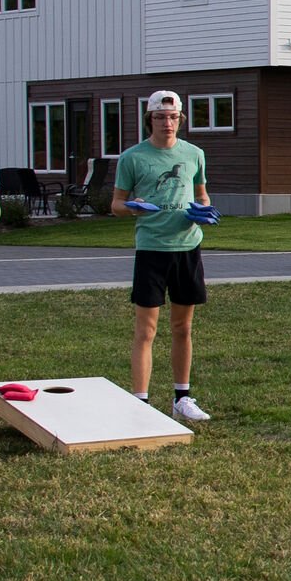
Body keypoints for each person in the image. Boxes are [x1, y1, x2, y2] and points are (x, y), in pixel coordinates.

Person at [112, 89, 216, 422]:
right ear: (150, 120)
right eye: (161, 117)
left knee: (182, 328)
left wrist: (203, 211)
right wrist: (132, 209)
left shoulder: (194, 153)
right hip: (151, 250)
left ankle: (181, 398)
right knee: (146, 330)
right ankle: (140, 403)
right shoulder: (132, 158)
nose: (167, 124)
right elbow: (115, 204)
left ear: (180, 120)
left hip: (187, 247)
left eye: (173, 118)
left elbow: (201, 194)